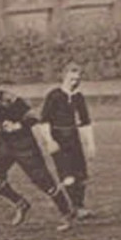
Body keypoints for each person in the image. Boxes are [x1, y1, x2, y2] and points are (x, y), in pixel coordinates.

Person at [0, 69, 75, 230]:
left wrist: (18, 125)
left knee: (45, 183)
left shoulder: (11, 99)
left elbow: (33, 117)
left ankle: (67, 214)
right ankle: (21, 204)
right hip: (5, 145)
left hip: (24, 144)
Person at [40, 63, 96, 218]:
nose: (75, 82)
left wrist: (90, 144)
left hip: (74, 138)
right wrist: (49, 140)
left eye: (77, 79)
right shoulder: (54, 95)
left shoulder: (78, 97)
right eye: (72, 79)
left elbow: (85, 122)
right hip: (58, 139)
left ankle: (79, 206)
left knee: (82, 176)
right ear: (64, 77)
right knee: (68, 176)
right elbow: (44, 121)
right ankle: (75, 208)